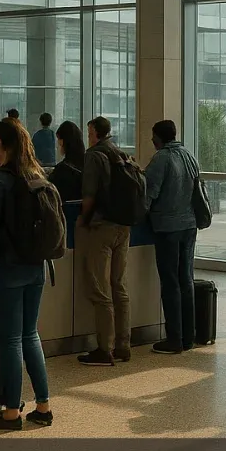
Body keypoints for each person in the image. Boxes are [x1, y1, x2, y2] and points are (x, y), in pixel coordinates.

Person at [0, 118, 53, 430]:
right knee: (30, 334)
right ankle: (43, 405)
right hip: (36, 266)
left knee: (10, 339)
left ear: (1, 143)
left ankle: (10, 412)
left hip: (7, 268)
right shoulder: (37, 175)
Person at [77, 116, 133, 366]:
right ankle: (124, 344)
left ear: (95, 133)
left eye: (89, 132)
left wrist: (83, 221)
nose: (88, 137)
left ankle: (104, 349)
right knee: (118, 285)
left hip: (101, 227)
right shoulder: (121, 154)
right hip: (124, 226)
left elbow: (89, 194)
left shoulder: (94, 155)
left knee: (100, 290)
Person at [144, 120, 200, 355]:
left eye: (152, 136)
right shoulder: (188, 155)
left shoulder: (161, 159)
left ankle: (174, 338)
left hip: (168, 227)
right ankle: (189, 336)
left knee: (170, 282)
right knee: (186, 279)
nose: (151, 140)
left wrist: (138, 213)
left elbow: (150, 192)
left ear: (158, 138)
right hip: (189, 225)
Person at [48, 121, 84, 202]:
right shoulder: (87, 163)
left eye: (59, 139)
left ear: (64, 141)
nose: (58, 143)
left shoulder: (62, 169)